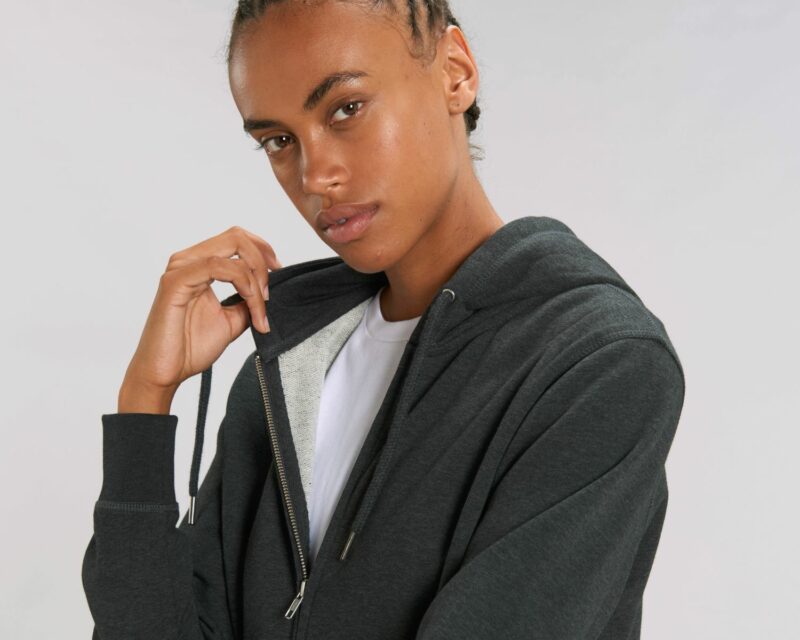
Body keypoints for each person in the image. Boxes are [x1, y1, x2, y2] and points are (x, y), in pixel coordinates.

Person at [81, 1, 686, 638]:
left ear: (455, 72)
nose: (316, 176)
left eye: (346, 108)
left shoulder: (597, 363)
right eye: (279, 141)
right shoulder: (289, 366)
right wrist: (145, 398)